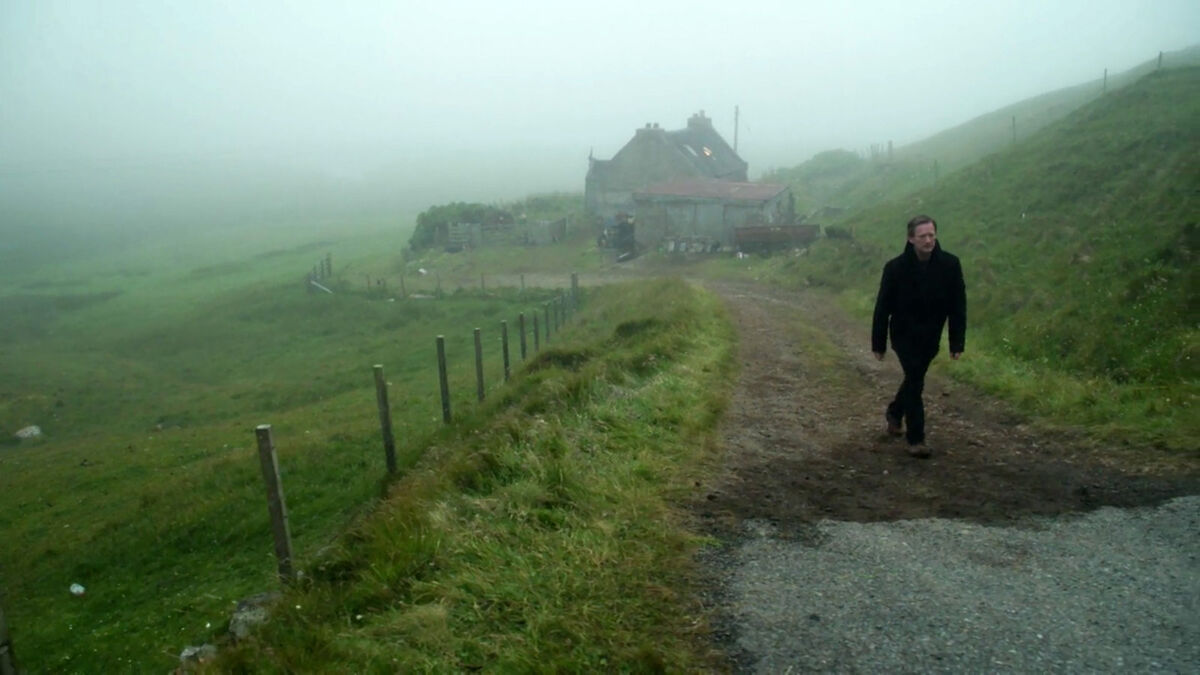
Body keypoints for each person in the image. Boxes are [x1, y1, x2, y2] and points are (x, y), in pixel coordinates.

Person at [871, 215, 966, 458]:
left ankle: (894, 411)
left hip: (930, 337)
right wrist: (878, 343)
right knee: (915, 379)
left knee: (915, 378)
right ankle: (916, 439)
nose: (928, 240)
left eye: (931, 235)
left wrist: (956, 342)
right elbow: (882, 307)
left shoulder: (950, 265)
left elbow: (958, 306)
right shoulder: (895, 268)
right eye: (922, 236)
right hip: (903, 334)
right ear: (911, 239)